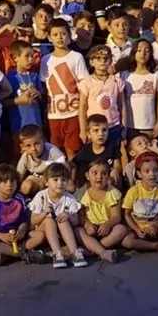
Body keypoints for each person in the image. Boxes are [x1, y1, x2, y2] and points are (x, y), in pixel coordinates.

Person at [41, 19, 91, 159]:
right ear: (49, 37)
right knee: (56, 152)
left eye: (63, 34)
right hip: (54, 114)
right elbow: (44, 85)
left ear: (69, 35)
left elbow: (84, 85)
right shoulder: (46, 60)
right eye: (55, 34)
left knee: (72, 151)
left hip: (73, 113)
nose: (60, 38)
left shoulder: (76, 57)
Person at [0, 165, 48, 266]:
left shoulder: (20, 199)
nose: (9, 185)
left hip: (18, 237)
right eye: (5, 182)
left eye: (12, 181)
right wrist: (1, 236)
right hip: (1, 237)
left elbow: (24, 220)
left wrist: (21, 230)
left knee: (40, 236)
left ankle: (8, 255)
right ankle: (24, 255)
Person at [27, 163, 88, 269]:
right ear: (47, 182)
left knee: (62, 219)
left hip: (62, 232)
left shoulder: (69, 198)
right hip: (42, 229)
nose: (60, 183)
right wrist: (44, 213)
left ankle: (74, 252)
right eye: (55, 180)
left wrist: (68, 215)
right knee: (49, 220)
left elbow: (75, 222)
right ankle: (57, 253)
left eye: (63, 180)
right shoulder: (41, 196)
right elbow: (33, 221)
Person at [75, 159, 128, 263]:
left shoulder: (113, 193)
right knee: (78, 231)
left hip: (107, 229)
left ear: (108, 177)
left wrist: (107, 224)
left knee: (121, 229)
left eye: (104, 174)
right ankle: (102, 252)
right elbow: (80, 217)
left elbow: (116, 216)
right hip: (90, 229)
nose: (99, 177)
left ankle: (92, 250)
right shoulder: (81, 193)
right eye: (94, 173)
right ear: (87, 176)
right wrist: (87, 224)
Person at [78, 45, 125, 150]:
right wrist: (83, 130)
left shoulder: (117, 82)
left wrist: (123, 127)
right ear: (91, 62)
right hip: (94, 127)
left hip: (113, 125)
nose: (102, 61)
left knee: (115, 152)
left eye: (106, 58)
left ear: (111, 61)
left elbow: (121, 106)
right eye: (98, 58)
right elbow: (82, 107)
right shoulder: (87, 82)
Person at [121, 39, 158, 140]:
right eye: (139, 50)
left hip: (149, 125)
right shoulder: (125, 75)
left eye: (147, 51)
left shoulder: (155, 75)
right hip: (130, 125)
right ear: (134, 52)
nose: (143, 54)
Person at [16, 124, 68, 197]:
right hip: (36, 178)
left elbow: (64, 166)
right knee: (26, 187)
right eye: (28, 145)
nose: (33, 149)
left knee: (69, 186)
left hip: (53, 177)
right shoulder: (25, 156)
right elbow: (19, 175)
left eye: (36, 144)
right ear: (23, 147)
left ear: (43, 141)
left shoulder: (52, 150)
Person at [74, 114, 122, 189]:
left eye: (104, 130)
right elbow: (77, 167)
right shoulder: (85, 150)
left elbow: (117, 166)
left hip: (108, 182)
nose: (101, 134)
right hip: (91, 183)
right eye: (96, 131)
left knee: (115, 175)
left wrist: (115, 170)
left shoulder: (112, 147)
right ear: (89, 134)